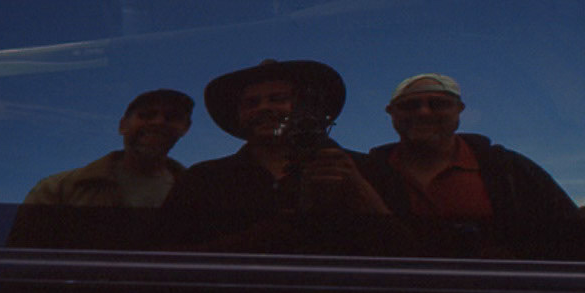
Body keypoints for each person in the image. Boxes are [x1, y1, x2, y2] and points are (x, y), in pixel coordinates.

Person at [163, 59, 404, 252]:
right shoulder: (203, 179)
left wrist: (361, 192)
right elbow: (167, 259)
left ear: (309, 107)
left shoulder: (370, 170)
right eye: (251, 103)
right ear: (239, 116)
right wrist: (262, 238)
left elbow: (409, 255)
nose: (263, 108)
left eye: (278, 99)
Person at [369, 73, 585, 259]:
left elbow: (570, 238)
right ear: (391, 113)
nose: (424, 112)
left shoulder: (509, 170)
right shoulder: (365, 172)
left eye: (438, 104)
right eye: (410, 105)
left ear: (459, 109)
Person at [7, 88, 193, 249]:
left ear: (185, 129)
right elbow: (24, 263)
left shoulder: (196, 192)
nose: (158, 122)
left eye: (171, 117)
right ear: (122, 125)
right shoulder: (59, 189)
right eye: (146, 115)